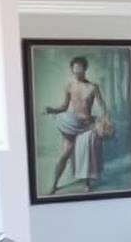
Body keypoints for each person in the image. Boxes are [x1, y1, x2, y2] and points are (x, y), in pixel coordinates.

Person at [43, 55, 110, 193]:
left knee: (86, 152)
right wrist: (52, 110)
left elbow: (102, 105)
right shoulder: (69, 86)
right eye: (75, 69)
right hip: (73, 124)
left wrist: (104, 119)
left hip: (87, 125)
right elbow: (64, 106)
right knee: (64, 155)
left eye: (80, 68)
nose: (77, 71)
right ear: (72, 70)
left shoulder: (92, 87)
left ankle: (87, 182)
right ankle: (54, 185)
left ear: (85, 69)